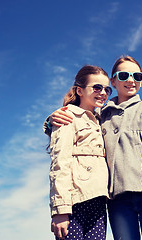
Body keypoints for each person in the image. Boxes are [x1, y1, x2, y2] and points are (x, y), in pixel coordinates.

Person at [45, 56, 142, 240]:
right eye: (124, 74)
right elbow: (76, 122)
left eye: (137, 76)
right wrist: (50, 122)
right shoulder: (100, 114)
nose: (131, 80)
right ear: (114, 80)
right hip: (117, 201)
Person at [48, 65, 113, 240]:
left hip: (99, 201)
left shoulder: (103, 119)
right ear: (80, 90)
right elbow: (59, 163)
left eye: (107, 89)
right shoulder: (68, 116)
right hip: (75, 203)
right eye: (97, 87)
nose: (103, 93)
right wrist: (60, 210)